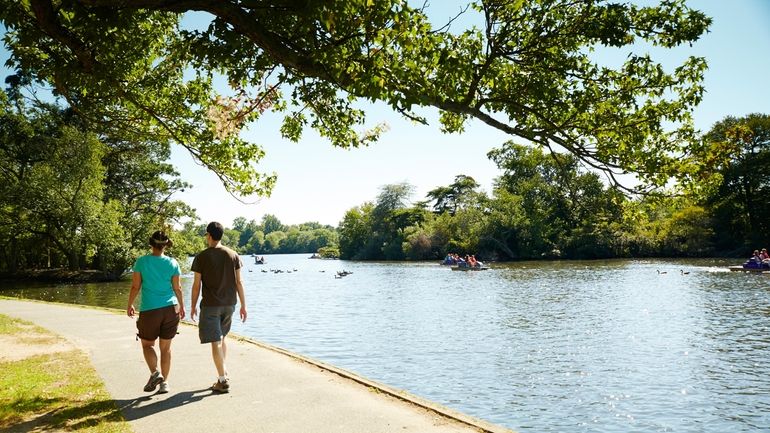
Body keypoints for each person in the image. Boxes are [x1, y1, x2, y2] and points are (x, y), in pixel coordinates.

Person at [190, 222, 247, 393]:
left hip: (210, 305)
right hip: (230, 304)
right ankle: (224, 371)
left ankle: (222, 380)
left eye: (206, 235)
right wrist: (244, 305)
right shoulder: (233, 255)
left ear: (209, 235)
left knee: (215, 341)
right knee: (222, 338)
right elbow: (239, 282)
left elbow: (196, 285)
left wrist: (192, 306)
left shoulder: (201, 257)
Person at [127, 231, 184, 394]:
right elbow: (177, 288)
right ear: (166, 245)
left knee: (147, 345)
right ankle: (165, 383)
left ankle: (155, 372)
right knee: (166, 349)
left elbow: (135, 286)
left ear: (150, 244)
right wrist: (182, 306)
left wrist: (130, 304)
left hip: (150, 309)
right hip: (170, 309)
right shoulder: (173, 263)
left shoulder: (142, 262)